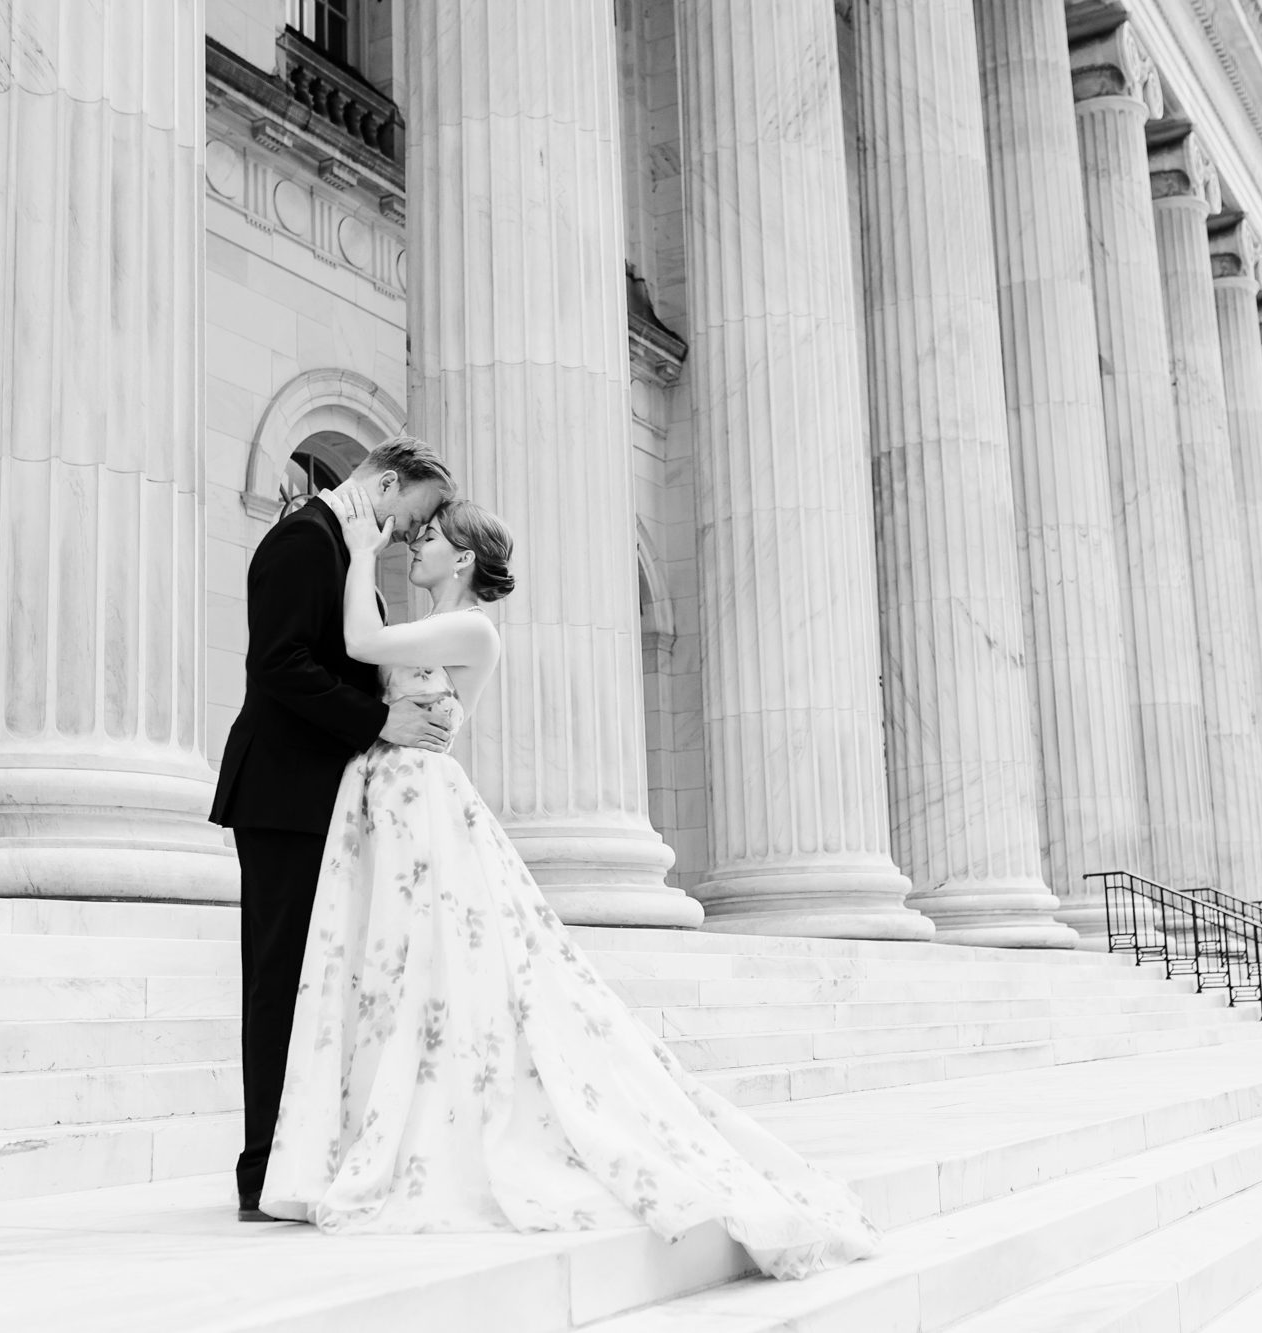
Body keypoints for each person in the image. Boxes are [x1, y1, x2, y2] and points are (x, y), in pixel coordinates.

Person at [257, 484, 880, 1281]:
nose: (416, 544)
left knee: (431, 973)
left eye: (430, 538)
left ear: (465, 557)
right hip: (384, 806)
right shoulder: (428, 627)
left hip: (422, 811)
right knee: (392, 976)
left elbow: (358, 635)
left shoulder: (473, 630)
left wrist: (354, 542)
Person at [210, 437, 456, 1219]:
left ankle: (299, 1158)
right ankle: (261, 1172)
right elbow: (281, 663)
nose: (410, 535)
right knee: (279, 983)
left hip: (321, 801)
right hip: (282, 798)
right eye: (409, 515)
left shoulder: (341, 548)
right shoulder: (300, 539)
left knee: (318, 988)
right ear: (384, 482)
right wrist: (382, 719)